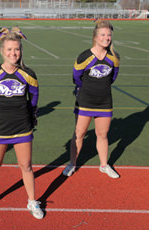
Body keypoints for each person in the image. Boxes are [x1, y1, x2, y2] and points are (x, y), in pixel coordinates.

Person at [0, 27, 44, 219]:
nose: (14, 53)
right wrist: (0, 109)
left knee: (26, 166)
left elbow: (35, 95)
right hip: (0, 127)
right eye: (10, 49)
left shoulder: (28, 73)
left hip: (22, 127)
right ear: (2, 51)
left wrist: (27, 111)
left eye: (17, 49)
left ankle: (32, 201)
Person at [62, 20, 120, 179]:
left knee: (102, 134)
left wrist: (100, 88)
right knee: (79, 133)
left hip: (104, 102)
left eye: (109, 35)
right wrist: (86, 89)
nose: (106, 38)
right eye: (103, 34)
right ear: (95, 36)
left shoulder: (114, 57)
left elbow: (113, 77)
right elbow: (76, 77)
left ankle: (104, 165)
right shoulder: (85, 56)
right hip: (85, 102)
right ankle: (72, 163)